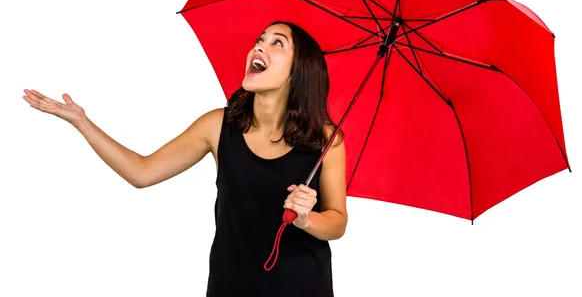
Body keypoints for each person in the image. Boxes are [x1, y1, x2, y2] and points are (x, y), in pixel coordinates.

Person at [23, 21, 348, 296]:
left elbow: (337, 222)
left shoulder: (326, 140)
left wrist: (307, 219)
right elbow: (142, 171)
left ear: (298, 71)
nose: (259, 47)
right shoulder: (217, 126)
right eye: (259, 40)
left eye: (277, 43)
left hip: (303, 287)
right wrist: (82, 122)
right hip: (230, 285)